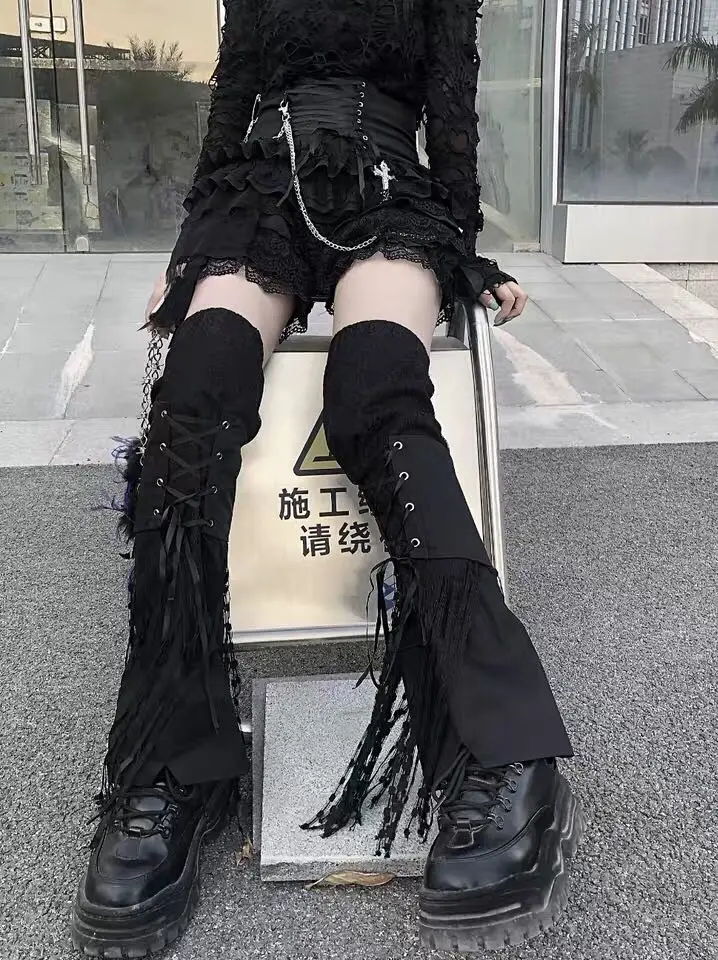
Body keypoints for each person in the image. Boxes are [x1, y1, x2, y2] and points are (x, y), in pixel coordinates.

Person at [71, 1, 583, 955]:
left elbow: (452, 109)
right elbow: (231, 99)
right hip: (258, 194)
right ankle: (177, 759)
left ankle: (507, 747)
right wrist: (189, 253)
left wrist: (462, 245)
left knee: (376, 393)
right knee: (191, 397)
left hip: (385, 189)